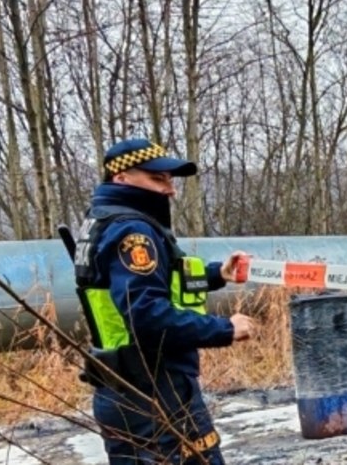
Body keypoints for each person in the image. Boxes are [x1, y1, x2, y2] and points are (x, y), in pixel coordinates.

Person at [70, 138, 255, 464]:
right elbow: (147, 316)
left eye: (170, 180)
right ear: (122, 178)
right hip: (155, 389)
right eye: (158, 179)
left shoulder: (104, 220)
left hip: (125, 387)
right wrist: (224, 328)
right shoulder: (132, 232)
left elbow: (159, 282)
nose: (170, 189)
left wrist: (216, 275)